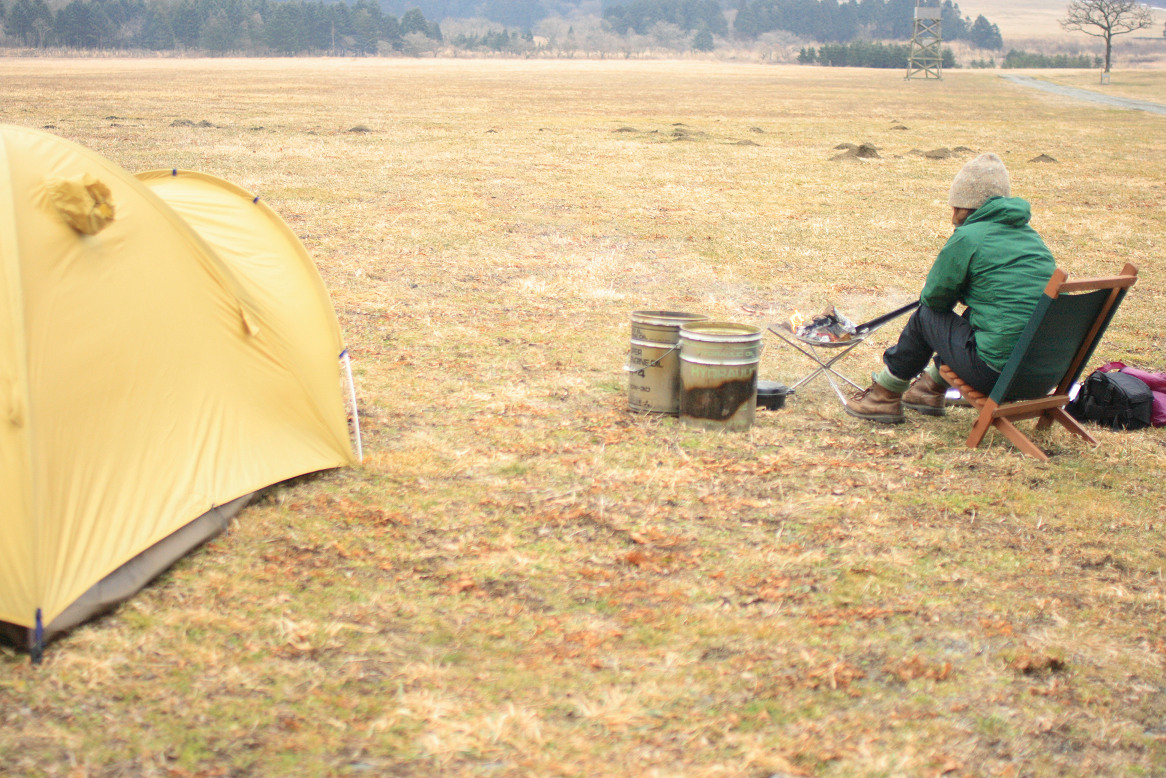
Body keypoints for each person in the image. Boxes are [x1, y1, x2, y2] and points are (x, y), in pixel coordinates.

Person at [845, 152, 1058, 424]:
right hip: (1043, 375)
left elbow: (934, 301)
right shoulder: (1032, 239)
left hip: (996, 375)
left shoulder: (969, 237)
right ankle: (929, 389)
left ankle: (884, 395)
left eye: (956, 207)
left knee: (926, 317)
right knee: (975, 316)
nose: (952, 216)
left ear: (968, 206)